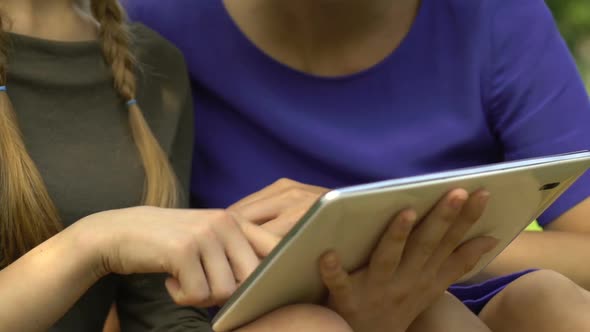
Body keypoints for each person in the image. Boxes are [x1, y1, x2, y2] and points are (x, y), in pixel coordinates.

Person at [0, 1, 502, 331]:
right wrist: (97, 242)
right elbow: (105, 242)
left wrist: (335, 263)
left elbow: (158, 315)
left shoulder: (150, 65)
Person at [124, 0, 590, 330]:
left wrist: (382, 237)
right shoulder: (150, 31)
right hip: (273, 317)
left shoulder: (495, 17)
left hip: (457, 301)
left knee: (548, 301)